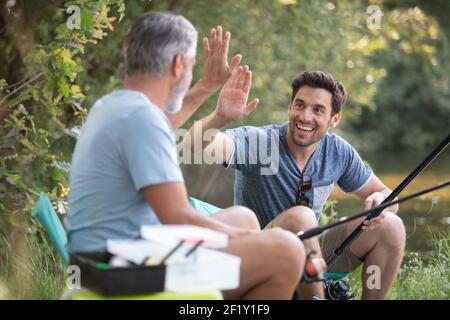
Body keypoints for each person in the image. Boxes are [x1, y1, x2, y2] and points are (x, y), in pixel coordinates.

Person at [65, 11, 306, 300]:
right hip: (122, 269)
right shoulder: (142, 119)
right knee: (286, 251)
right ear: (179, 63)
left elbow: (160, 127)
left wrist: (206, 86)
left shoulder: (114, 106)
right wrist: (254, 240)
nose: (191, 72)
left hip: (101, 259)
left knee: (242, 217)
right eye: (192, 66)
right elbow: (177, 217)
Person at [184, 70, 406, 299]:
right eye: (299, 105)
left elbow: (385, 193)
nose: (305, 116)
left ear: (334, 119)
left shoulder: (338, 151)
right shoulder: (260, 142)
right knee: (302, 217)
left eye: (318, 110)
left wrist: (382, 203)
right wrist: (220, 117)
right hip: (260, 251)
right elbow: (194, 144)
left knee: (391, 226)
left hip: (311, 254)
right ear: (290, 107)